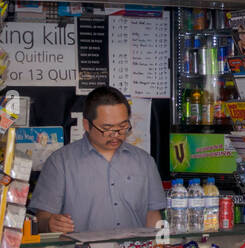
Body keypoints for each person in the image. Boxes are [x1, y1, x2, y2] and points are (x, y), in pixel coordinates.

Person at [30, 85, 167, 234]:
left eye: (123, 126)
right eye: (107, 128)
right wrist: (51, 224)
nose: (116, 134)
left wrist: (160, 245)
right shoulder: (60, 163)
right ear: (87, 125)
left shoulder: (144, 162)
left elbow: (153, 215)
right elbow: (41, 218)